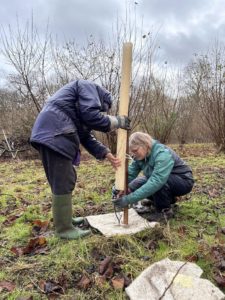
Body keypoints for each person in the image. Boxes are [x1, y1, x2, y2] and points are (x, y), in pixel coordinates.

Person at [30, 79, 130, 239]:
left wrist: (106, 153)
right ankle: (64, 230)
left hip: (52, 133)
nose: (101, 111)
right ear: (102, 97)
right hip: (56, 132)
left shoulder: (77, 109)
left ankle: (66, 220)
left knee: (63, 180)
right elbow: (92, 116)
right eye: (102, 109)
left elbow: (85, 135)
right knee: (63, 180)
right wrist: (116, 121)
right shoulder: (87, 86)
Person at [113, 132, 194, 222]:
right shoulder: (140, 156)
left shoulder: (162, 153)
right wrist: (119, 188)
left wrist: (129, 199)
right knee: (136, 183)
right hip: (162, 180)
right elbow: (130, 174)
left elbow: (157, 181)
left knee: (158, 184)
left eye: (135, 150)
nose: (133, 154)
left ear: (145, 145)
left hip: (183, 181)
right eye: (132, 151)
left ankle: (165, 212)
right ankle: (165, 200)